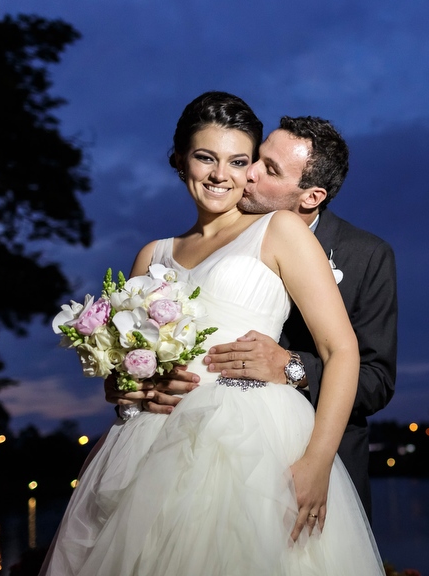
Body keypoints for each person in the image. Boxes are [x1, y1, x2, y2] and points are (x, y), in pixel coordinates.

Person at [40, 91, 384, 575]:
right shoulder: (152, 254)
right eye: (205, 157)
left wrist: (317, 463)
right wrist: (127, 386)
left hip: (253, 443)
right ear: (180, 160)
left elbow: (342, 349)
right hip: (150, 447)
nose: (221, 174)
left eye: (239, 161)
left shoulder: (280, 230)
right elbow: (123, 379)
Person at [111, 115, 399, 521]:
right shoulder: (172, 248)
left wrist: (291, 367)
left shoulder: (366, 255)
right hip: (182, 442)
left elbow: (376, 379)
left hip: (306, 453)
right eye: (255, 159)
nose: (248, 175)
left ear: (311, 197)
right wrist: (136, 383)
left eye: (270, 169)